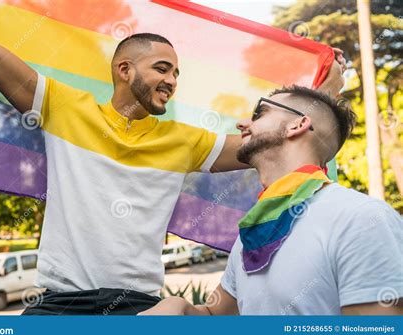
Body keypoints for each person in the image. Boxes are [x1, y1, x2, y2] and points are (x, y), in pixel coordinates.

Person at [0, 1, 345, 315]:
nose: (172, 81)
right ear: (124, 70)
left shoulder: (186, 140)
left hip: (140, 311)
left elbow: (278, 139)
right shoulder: (62, 106)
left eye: (177, 74)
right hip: (56, 307)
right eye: (162, 69)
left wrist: (328, 96)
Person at [140, 85, 403, 315]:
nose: (242, 123)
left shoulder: (361, 217)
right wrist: (180, 307)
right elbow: (213, 316)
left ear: (298, 125)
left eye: (259, 113)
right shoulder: (251, 234)